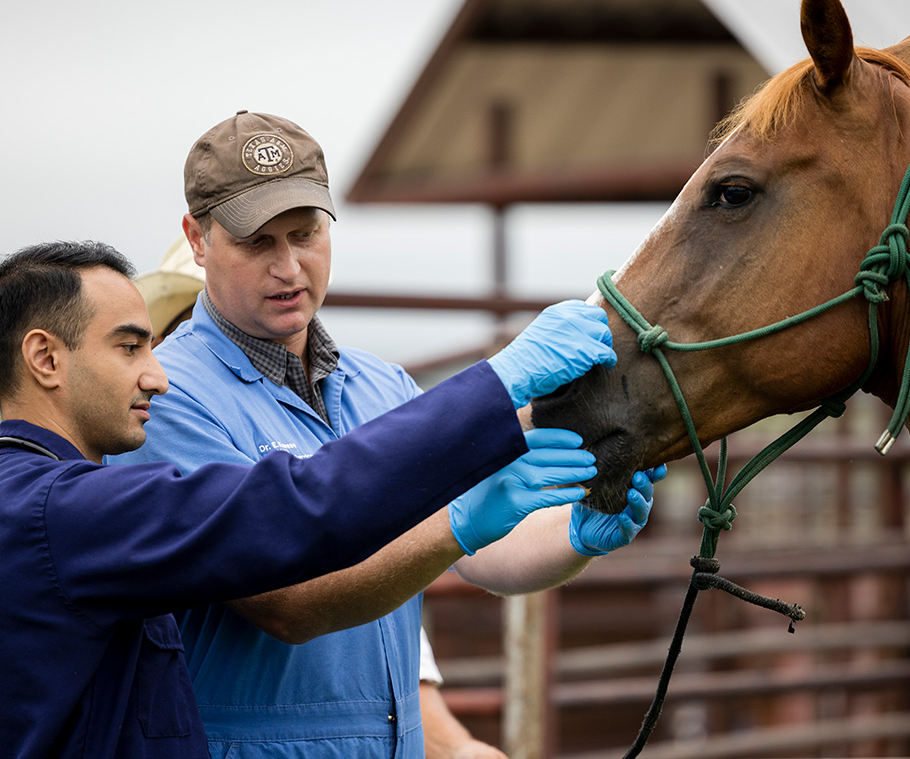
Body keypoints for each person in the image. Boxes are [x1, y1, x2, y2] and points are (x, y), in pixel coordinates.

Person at [111, 110, 665, 759]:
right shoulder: (168, 400)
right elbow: (292, 605)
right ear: (197, 240)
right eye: (257, 242)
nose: (289, 267)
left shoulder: (382, 388)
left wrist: (575, 534)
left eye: (306, 232)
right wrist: (464, 518)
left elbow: (487, 551)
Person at [0, 240, 619, 759]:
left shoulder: (47, 498)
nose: (157, 374)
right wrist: (494, 389)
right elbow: (291, 513)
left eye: (305, 233)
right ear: (45, 358)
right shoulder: (62, 510)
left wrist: (566, 530)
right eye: (131, 347)